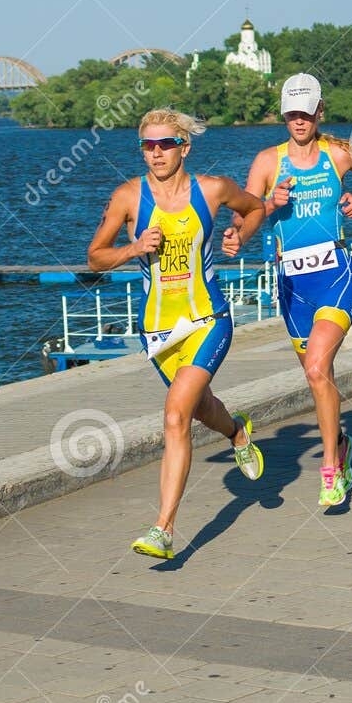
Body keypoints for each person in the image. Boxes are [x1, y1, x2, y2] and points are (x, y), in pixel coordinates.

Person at [86, 109, 267, 561]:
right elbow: (94, 257)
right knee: (199, 407)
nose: (156, 153)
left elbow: (256, 207)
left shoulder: (213, 189)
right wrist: (133, 248)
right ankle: (238, 432)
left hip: (208, 318)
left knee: (174, 416)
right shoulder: (128, 197)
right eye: (148, 145)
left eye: (165, 144)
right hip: (158, 331)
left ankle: (163, 529)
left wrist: (239, 237)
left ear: (184, 147)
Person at [225, 73, 352, 507]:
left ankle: (331, 471)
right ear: (284, 115)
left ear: (320, 113)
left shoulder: (337, 153)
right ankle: (340, 443)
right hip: (291, 284)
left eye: (307, 113)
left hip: (336, 274)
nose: (299, 121)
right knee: (317, 377)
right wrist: (266, 206)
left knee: (318, 369)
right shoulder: (267, 162)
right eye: (292, 114)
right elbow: (246, 217)